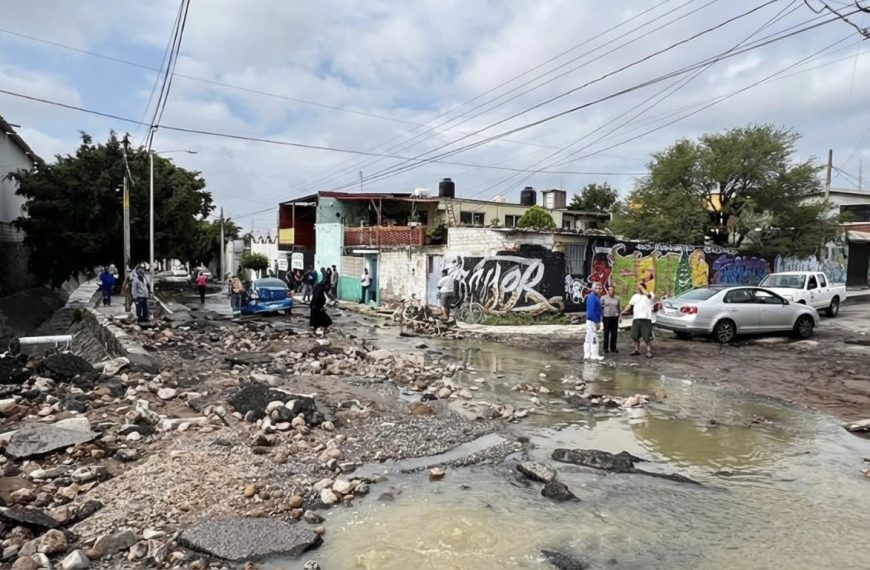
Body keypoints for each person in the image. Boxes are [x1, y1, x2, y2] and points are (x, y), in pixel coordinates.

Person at [623, 282, 656, 358]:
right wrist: (624, 311)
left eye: (641, 288)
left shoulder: (650, 295)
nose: (639, 289)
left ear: (644, 288)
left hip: (646, 319)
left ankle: (648, 351)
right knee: (635, 336)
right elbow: (630, 305)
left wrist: (644, 290)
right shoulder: (635, 296)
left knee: (646, 337)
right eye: (638, 288)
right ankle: (636, 350)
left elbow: (649, 296)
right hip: (636, 318)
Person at [584, 282, 603, 361]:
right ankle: (594, 355)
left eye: (599, 288)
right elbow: (592, 311)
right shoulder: (593, 297)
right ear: (593, 288)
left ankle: (587, 354)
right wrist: (597, 321)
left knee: (588, 337)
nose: (598, 290)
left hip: (590, 319)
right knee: (594, 336)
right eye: (596, 288)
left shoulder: (592, 296)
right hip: (592, 320)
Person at [601, 285, 622, 353]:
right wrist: (601, 316)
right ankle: (605, 348)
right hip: (606, 317)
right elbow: (600, 307)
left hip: (614, 317)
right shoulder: (603, 298)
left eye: (612, 290)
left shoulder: (617, 298)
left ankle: (613, 348)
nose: (611, 291)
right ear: (607, 291)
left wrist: (620, 317)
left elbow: (619, 309)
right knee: (606, 333)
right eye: (609, 290)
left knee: (614, 333)